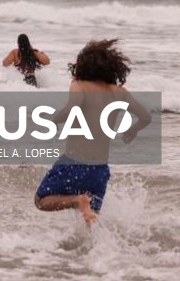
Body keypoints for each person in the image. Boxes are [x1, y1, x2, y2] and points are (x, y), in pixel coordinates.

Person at [34, 39, 152, 225]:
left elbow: (72, 107)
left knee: (41, 200)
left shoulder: (79, 85)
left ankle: (77, 200)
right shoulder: (119, 92)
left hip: (73, 163)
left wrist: (51, 122)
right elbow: (145, 117)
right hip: (99, 169)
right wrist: (133, 130)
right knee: (91, 221)